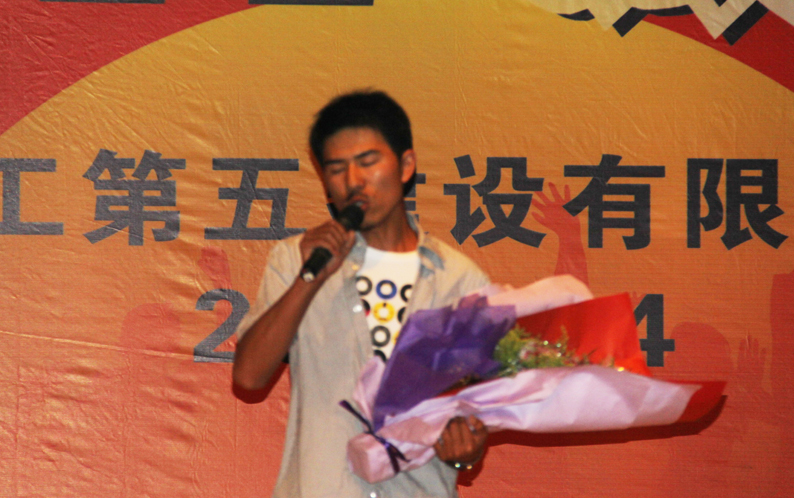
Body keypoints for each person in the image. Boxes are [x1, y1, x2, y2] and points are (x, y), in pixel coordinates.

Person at [233, 90, 489, 497]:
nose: (354, 181)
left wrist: (467, 446)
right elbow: (248, 376)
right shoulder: (296, 258)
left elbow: (477, 409)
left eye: (368, 162)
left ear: (406, 165)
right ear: (325, 184)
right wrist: (310, 278)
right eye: (337, 169)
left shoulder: (457, 280)